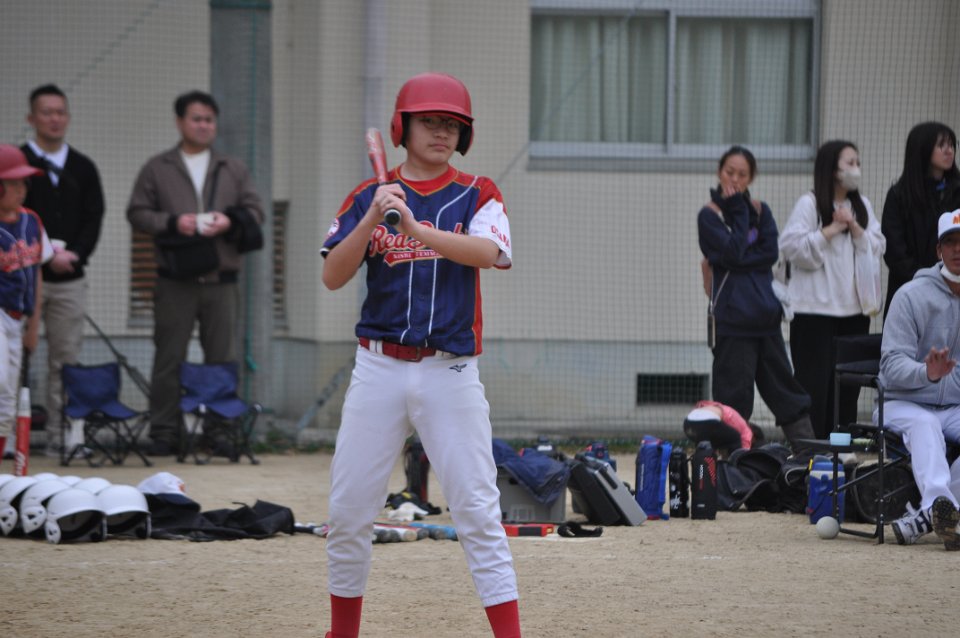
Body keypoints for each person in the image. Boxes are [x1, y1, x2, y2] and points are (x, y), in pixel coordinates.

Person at [320, 72, 520, 638]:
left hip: (448, 370)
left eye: (452, 124)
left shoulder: (478, 191)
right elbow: (333, 276)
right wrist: (372, 217)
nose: (441, 131)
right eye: (429, 121)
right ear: (401, 128)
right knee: (349, 512)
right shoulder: (368, 196)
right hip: (378, 367)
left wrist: (413, 226)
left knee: (477, 511)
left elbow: (489, 253)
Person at [127, 90, 264, 457]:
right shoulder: (158, 167)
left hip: (222, 280)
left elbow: (256, 211)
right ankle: (164, 432)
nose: (203, 126)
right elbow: (137, 213)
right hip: (175, 278)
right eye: (196, 119)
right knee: (168, 356)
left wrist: (228, 220)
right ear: (180, 122)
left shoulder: (232, 168)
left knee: (222, 357)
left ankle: (219, 431)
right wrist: (176, 222)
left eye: (209, 120)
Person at [698, 145, 815, 451]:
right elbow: (735, 252)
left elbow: (768, 253)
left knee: (784, 390)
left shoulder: (761, 211)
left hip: (765, 318)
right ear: (719, 172)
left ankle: (808, 453)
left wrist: (733, 259)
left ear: (751, 177)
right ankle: (736, 460)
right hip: (733, 322)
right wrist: (737, 211)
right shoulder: (709, 216)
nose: (735, 179)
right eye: (730, 172)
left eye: (742, 174)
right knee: (733, 397)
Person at [20, 84, 106, 458]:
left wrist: (75, 254)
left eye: (60, 112)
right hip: (21, 280)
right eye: (46, 112)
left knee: (65, 360)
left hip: (69, 278)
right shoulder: (18, 163)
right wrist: (39, 254)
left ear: (67, 118)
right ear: (31, 118)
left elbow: (94, 217)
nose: (54, 119)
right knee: (12, 359)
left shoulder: (83, 167)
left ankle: (62, 437)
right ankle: (10, 436)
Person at [779, 140, 886, 439]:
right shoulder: (810, 204)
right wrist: (832, 229)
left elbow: (878, 245)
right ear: (832, 169)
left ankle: (842, 449)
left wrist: (854, 227)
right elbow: (791, 245)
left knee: (847, 388)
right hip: (813, 312)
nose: (856, 169)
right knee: (813, 385)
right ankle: (810, 451)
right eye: (849, 163)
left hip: (855, 311)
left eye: (857, 163)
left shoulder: (862, 205)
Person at [878, 210, 960, 550]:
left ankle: (931, 516)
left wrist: (946, 382)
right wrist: (927, 374)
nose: (958, 249)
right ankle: (942, 510)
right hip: (901, 403)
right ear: (938, 250)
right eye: (951, 242)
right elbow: (890, 367)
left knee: (933, 421)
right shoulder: (910, 295)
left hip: (953, 405)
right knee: (925, 423)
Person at [0, 145, 53, 462]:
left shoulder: (32, 220)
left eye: (23, 183)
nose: (21, 189)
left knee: (7, 399)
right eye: (13, 183)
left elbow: (37, 274)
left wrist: (33, 326)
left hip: (18, 319)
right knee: (0, 381)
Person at [881, 122, 960, 318]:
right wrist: (929, 281)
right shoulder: (899, 195)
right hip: (910, 291)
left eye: (952, 145)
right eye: (941, 145)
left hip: (955, 289)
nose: (949, 151)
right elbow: (895, 253)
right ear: (923, 149)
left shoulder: (957, 191)